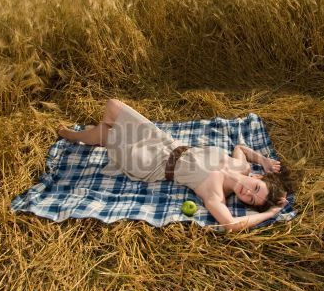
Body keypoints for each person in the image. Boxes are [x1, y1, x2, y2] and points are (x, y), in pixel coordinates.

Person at [58, 99, 291, 232]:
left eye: (250, 199)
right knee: (112, 106)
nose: (247, 192)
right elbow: (241, 148)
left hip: (150, 163)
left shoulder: (215, 194)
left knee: (108, 133)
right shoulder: (243, 167)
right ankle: (100, 136)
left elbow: (230, 225)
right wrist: (263, 160)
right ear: (258, 178)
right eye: (256, 189)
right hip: (165, 141)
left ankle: (74, 136)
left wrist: (270, 212)